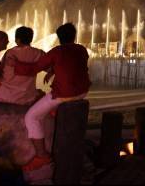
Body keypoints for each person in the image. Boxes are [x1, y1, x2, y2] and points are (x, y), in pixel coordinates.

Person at [11, 23, 91, 170]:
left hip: (65, 94)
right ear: (74, 36)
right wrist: (53, 71)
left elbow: (35, 68)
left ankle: (41, 155)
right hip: (83, 91)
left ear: (59, 37)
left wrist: (16, 64)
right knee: (51, 106)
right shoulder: (82, 49)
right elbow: (72, 66)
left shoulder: (56, 51)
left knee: (32, 116)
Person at [0, 26, 47, 105]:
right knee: (41, 94)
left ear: (17, 40)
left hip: (5, 95)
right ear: (31, 39)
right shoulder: (39, 53)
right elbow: (50, 67)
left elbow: (0, 71)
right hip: (27, 97)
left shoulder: (10, 53)